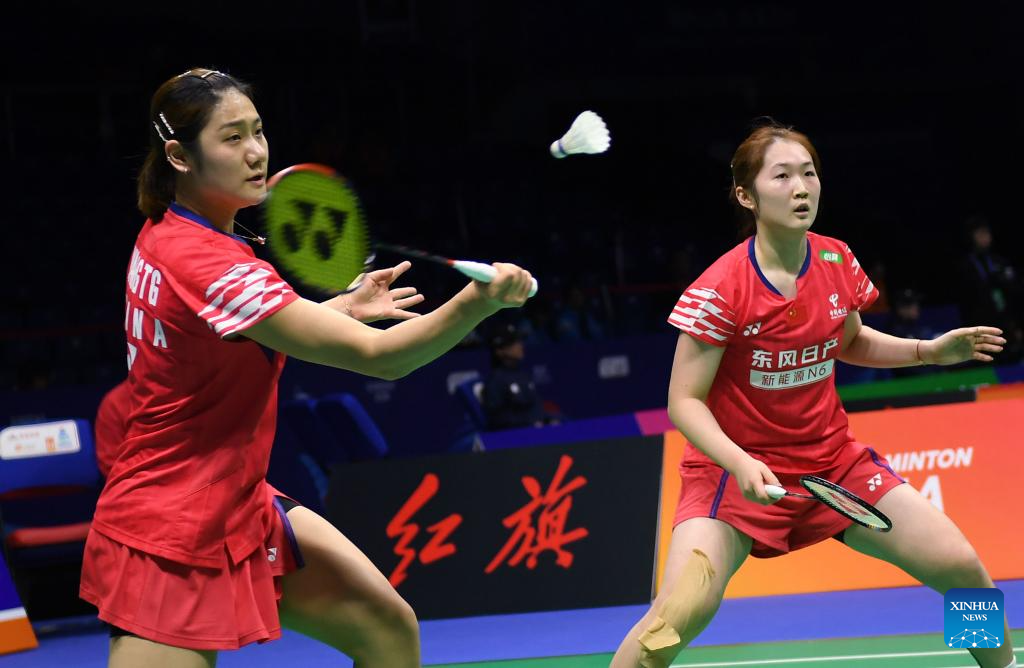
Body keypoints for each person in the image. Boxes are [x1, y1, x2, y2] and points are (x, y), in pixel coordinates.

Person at [79, 68, 534, 668]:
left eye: (258, 130)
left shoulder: (170, 230)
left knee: (387, 632)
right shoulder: (207, 262)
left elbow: (231, 339)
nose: (256, 152)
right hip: (171, 530)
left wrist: (337, 310)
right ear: (179, 156)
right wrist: (480, 301)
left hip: (236, 500)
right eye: (232, 137)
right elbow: (384, 358)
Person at [611, 121, 1013, 668]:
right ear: (746, 195)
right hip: (733, 475)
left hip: (832, 466)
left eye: (809, 173)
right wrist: (740, 461)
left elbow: (850, 341)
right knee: (676, 615)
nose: (801, 188)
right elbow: (684, 401)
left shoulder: (835, 261)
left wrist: (928, 352)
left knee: (962, 568)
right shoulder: (721, 288)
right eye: (782, 176)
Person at [480, 323, 557, 429]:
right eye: (512, 343)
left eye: (518, 341)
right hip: (518, 435)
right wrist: (531, 422)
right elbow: (497, 419)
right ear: (499, 351)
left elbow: (536, 408)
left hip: (538, 430)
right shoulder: (495, 381)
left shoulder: (523, 375)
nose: (519, 346)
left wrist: (548, 419)